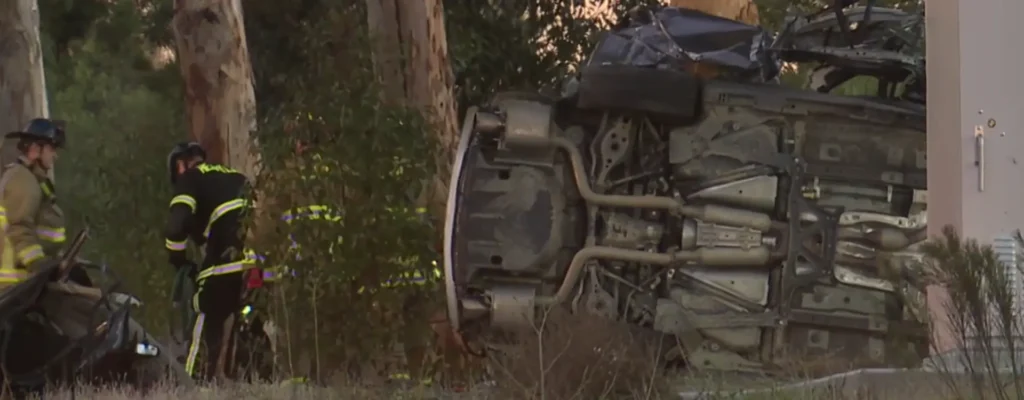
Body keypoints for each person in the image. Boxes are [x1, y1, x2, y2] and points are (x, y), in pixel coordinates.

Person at [164, 141, 255, 382]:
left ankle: (193, 383)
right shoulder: (234, 176)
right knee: (250, 322)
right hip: (259, 263)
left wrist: (179, 260)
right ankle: (257, 381)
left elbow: (176, 227)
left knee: (206, 313)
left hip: (226, 259)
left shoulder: (190, 179)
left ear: (181, 165)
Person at [0, 118, 67, 288]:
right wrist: (38, 264)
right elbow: (20, 228)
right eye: (52, 149)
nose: (55, 155)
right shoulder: (23, 180)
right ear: (36, 149)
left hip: (20, 284)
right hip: (13, 285)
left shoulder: (30, 178)